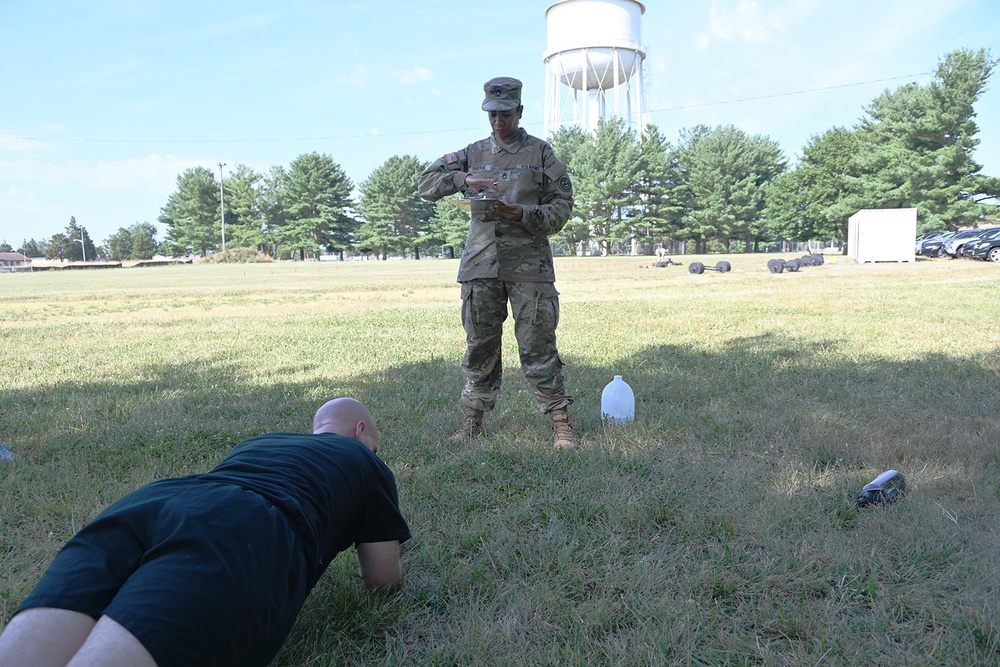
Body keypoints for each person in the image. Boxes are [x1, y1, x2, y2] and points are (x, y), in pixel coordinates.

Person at [0, 398, 411, 667]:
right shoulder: (362, 458)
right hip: (241, 526)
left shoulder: (262, 442)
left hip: (153, 503)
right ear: (360, 432)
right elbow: (382, 581)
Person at [418, 76, 578, 449]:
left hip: (529, 268)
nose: (498, 122)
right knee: (479, 344)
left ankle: (560, 423)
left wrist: (520, 212)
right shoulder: (472, 153)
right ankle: (472, 421)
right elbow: (426, 184)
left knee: (538, 344)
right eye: (491, 115)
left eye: (505, 114)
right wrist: (461, 179)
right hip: (480, 265)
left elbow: (561, 209)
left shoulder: (540, 154)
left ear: (519, 112)